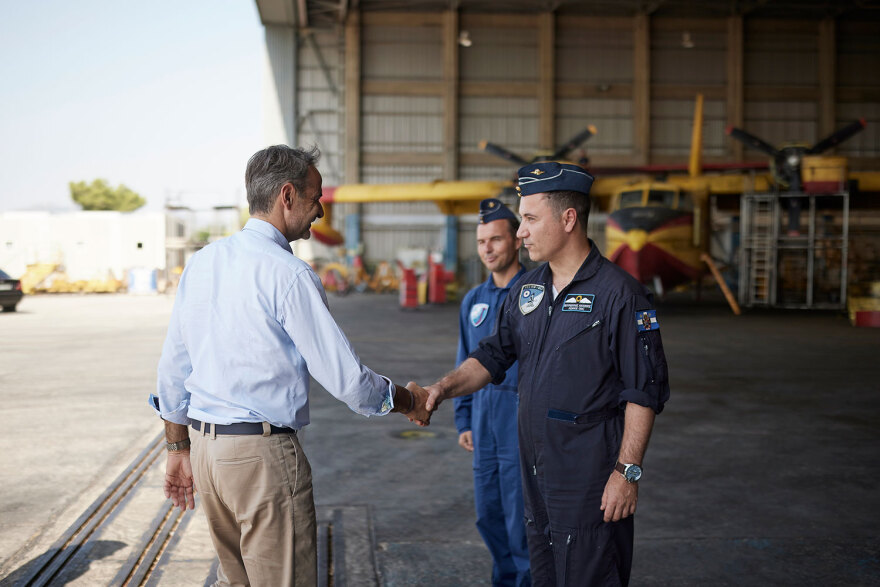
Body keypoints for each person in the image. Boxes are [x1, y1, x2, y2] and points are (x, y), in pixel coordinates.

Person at [150, 145, 431, 587]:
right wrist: (410, 399)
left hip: (207, 455)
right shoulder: (288, 274)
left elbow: (172, 370)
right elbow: (351, 383)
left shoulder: (203, 263)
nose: (320, 209)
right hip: (260, 461)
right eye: (315, 196)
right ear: (287, 195)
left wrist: (177, 448)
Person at [416, 162, 670, 586]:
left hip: (590, 483)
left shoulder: (620, 295)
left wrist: (627, 473)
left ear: (568, 219)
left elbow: (642, 392)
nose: (520, 232)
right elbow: (493, 355)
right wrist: (440, 389)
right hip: (536, 480)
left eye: (530, 219)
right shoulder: (527, 290)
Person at [454, 198, 530, 587]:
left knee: (523, 520)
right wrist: (464, 418)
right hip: (484, 425)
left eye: (496, 240)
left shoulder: (536, 294)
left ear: (516, 241)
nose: (487, 248)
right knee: (490, 515)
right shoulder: (473, 302)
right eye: (482, 241)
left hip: (520, 424)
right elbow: (465, 360)